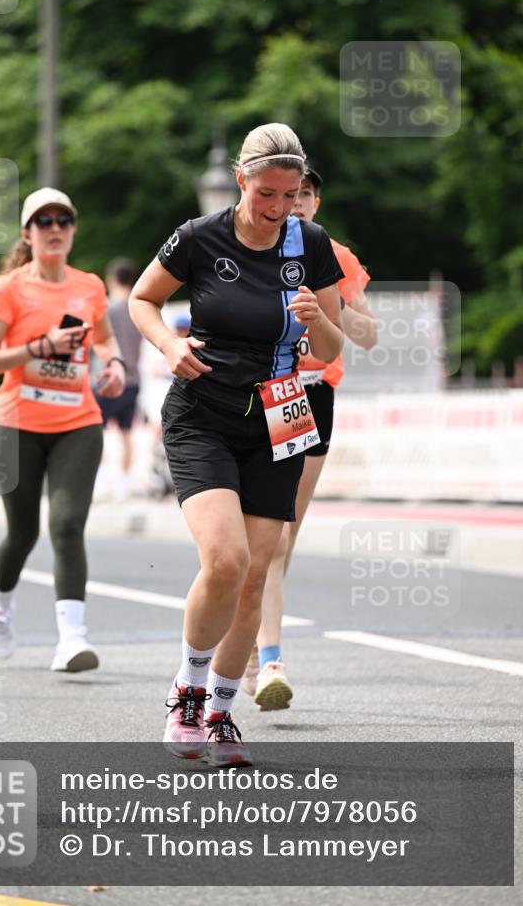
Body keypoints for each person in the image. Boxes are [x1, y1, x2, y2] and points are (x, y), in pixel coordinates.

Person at [129, 124, 344, 766]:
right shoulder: (201, 238)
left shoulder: (312, 244)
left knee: (254, 574)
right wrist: (170, 345)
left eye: (291, 194)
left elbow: (332, 350)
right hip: (204, 411)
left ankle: (221, 710)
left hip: (280, 416)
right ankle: (188, 689)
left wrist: (319, 322)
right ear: (243, 181)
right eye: (266, 194)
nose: (278, 208)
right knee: (224, 559)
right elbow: (144, 299)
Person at [244, 166, 377, 710]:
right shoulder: (250, 242)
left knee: (283, 538)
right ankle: (267, 655)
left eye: (303, 195)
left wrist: (333, 312)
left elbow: (366, 336)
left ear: (316, 202)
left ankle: (257, 640)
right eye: (284, 194)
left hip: (309, 395)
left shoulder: (334, 255)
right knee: (267, 540)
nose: (293, 203)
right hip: (261, 391)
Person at [0, 187, 125, 673]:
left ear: (73, 229)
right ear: (28, 233)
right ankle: (0, 607)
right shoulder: (9, 288)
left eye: (64, 220)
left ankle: (72, 639)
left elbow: (104, 338)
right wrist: (39, 347)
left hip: (77, 423)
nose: (56, 228)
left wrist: (116, 364)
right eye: (45, 221)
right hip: (14, 425)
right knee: (22, 533)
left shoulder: (88, 287)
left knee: (66, 525)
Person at [94, 257, 142, 501]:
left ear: (112, 280)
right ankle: (123, 485)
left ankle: (102, 481)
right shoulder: (138, 310)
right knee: (126, 432)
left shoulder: (108, 310)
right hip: (133, 378)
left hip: (108, 377)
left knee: (98, 430)